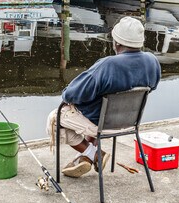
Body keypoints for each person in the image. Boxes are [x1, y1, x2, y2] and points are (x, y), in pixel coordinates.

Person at [47, 16, 161, 178]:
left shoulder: (108, 65)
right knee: (98, 106)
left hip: (102, 123)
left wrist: (66, 96)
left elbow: (72, 94)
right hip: (130, 122)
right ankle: (85, 157)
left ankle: (93, 153)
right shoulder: (152, 61)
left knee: (54, 119)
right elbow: (152, 87)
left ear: (117, 43)